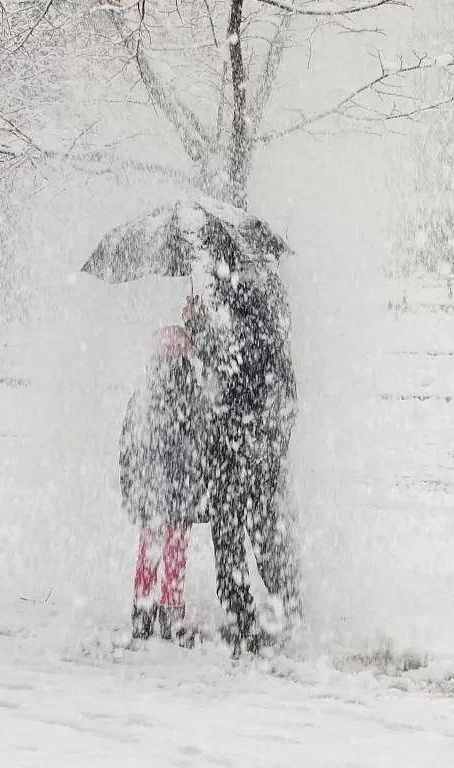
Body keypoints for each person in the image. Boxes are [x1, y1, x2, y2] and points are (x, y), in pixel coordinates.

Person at [185, 263, 301, 654]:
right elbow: (281, 396)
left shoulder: (244, 323)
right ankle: (287, 607)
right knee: (265, 529)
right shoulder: (273, 325)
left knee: (231, 533)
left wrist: (199, 325)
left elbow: (226, 371)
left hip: (235, 450)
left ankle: (246, 618)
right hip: (262, 450)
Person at [119, 325, 209, 644]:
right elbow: (203, 443)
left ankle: (142, 612)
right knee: (176, 550)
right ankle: (171, 611)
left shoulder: (144, 393)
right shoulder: (194, 394)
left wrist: (130, 486)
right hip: (181, 485)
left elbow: (128, 444)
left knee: (150, 549)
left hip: (151, 485)